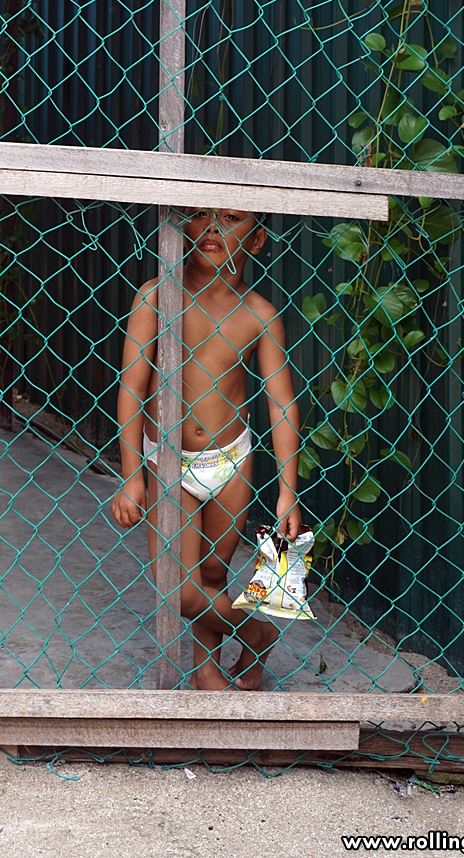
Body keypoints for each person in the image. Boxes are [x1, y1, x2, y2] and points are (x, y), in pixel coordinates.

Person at [112, 207, 302, 690]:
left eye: (231, 219)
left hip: (232, 460)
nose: (213, 228)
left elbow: (280, 402)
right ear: (181, 228)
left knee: (213, 571)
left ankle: (205, 673)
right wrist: (133, 474)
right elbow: (132, 387)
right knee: (180, 591)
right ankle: (256, 632)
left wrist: (287, 492)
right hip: (169, 462)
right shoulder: (157, 297)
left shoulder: (259, 314)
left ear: (256, 241)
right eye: (199, 215)